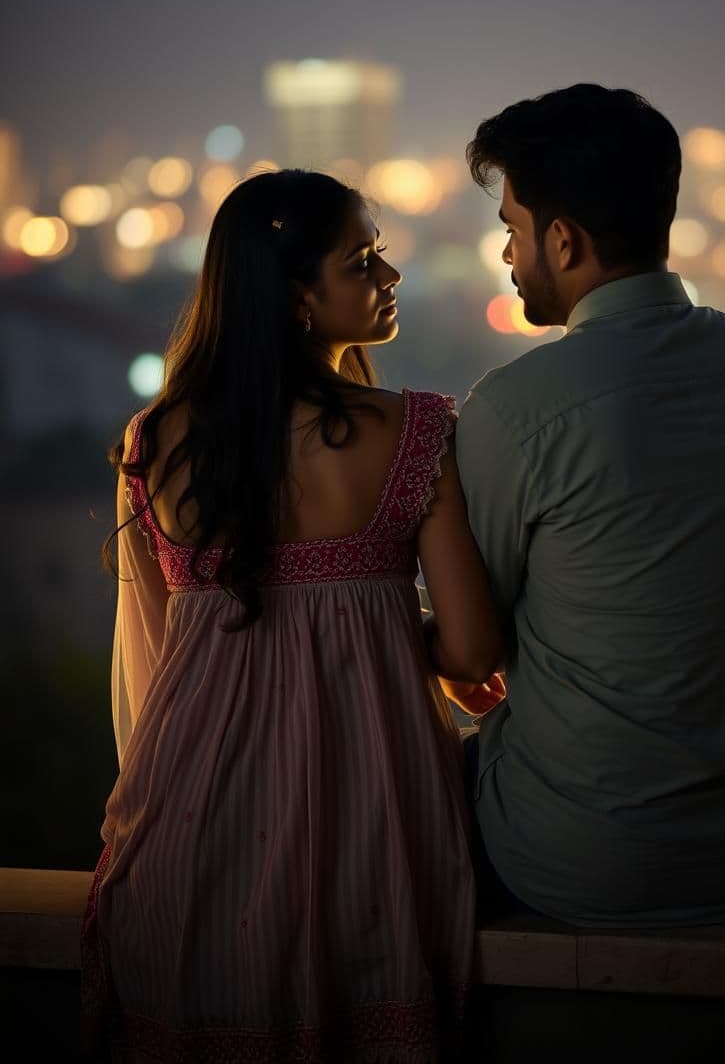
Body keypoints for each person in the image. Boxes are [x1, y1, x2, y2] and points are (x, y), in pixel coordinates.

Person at [81, 168, 501, 1063]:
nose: (388, 275)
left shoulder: (152, 443)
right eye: (362, 260)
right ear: (298, 299)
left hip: (191, 819)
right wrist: (390, 636)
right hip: (373, 808)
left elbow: (152, 671)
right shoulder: (415, 433)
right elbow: (470, 650)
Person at [449, 83, 725, 929]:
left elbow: (477, 641)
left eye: (512, 230)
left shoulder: (518, 410)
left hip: (583, 860)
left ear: (563, 239)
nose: (509, 256)